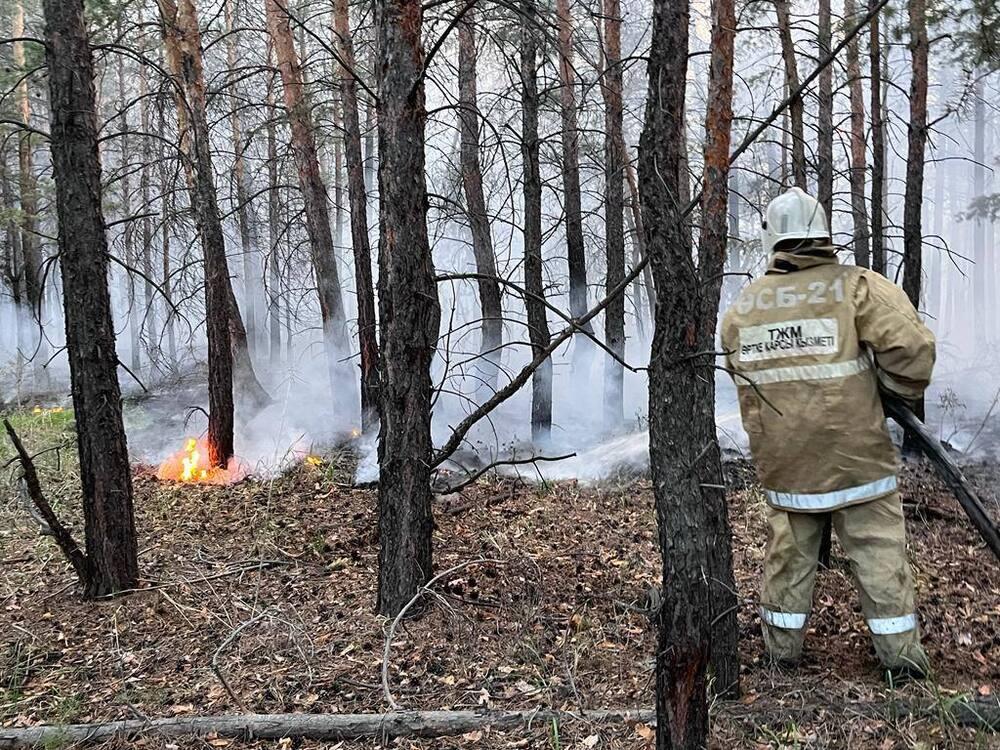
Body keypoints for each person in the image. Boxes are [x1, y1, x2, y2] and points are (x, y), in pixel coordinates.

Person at [720, 187, 936, 680]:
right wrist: (887, 388)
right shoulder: (857, 287)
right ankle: (901, 662)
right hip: (857, 455)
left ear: (774, 239)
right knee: (879, 551)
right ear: (822, 234)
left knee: (789, 556)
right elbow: (913, 353)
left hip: (787, 461)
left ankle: (780, 655)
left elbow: (742, 374)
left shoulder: (745, 308)